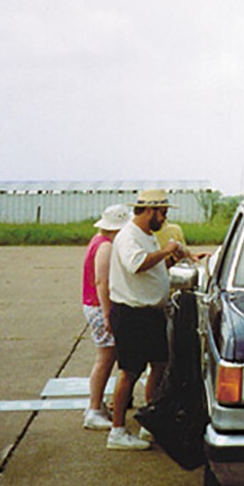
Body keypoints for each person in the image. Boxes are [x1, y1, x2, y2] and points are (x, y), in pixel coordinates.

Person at [106, 189, 188, 450]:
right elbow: (137, 264)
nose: (164, 218)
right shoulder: (128, 236)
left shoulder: (147, 235)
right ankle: (117, 431)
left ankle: (149, 422)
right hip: (132, 314)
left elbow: (151, 268)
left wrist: (174, 259)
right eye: (163, 212)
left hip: (151, 313)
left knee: (160, 365)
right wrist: (166, 251)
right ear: (150, 211)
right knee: (129, 372)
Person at [80, 204, 131, 430]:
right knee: (105, 358)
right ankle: (93, 409)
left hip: (94, 305)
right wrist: (109, 313)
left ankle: (96, 404)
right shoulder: (106, 247)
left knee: (106, 357)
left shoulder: (97, 240)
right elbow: (102, 282)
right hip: (99, 306)